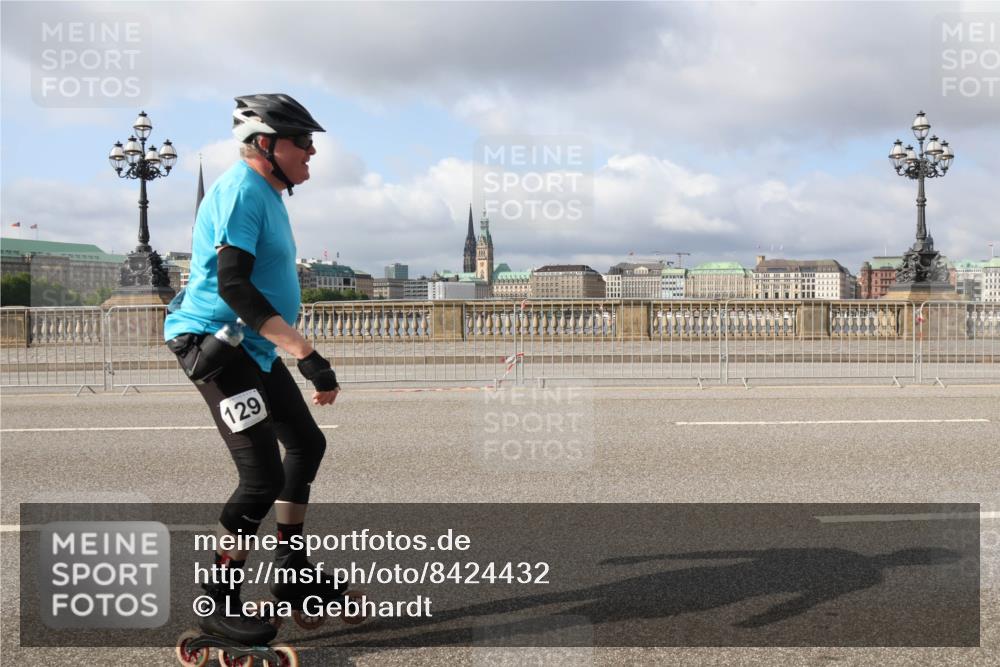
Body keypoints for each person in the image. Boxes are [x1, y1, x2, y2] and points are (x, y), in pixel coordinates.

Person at [165, 94, 345, 643]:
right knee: (261, 476)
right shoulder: (241, 190)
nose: (312, 151)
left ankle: (291, 571)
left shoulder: (268, 193)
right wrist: (306, 354)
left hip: (251, 346)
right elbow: (234, 286)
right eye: (302, 141)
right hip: (215, 346)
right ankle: (217, 600)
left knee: (307, 444)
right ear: (266, 144)